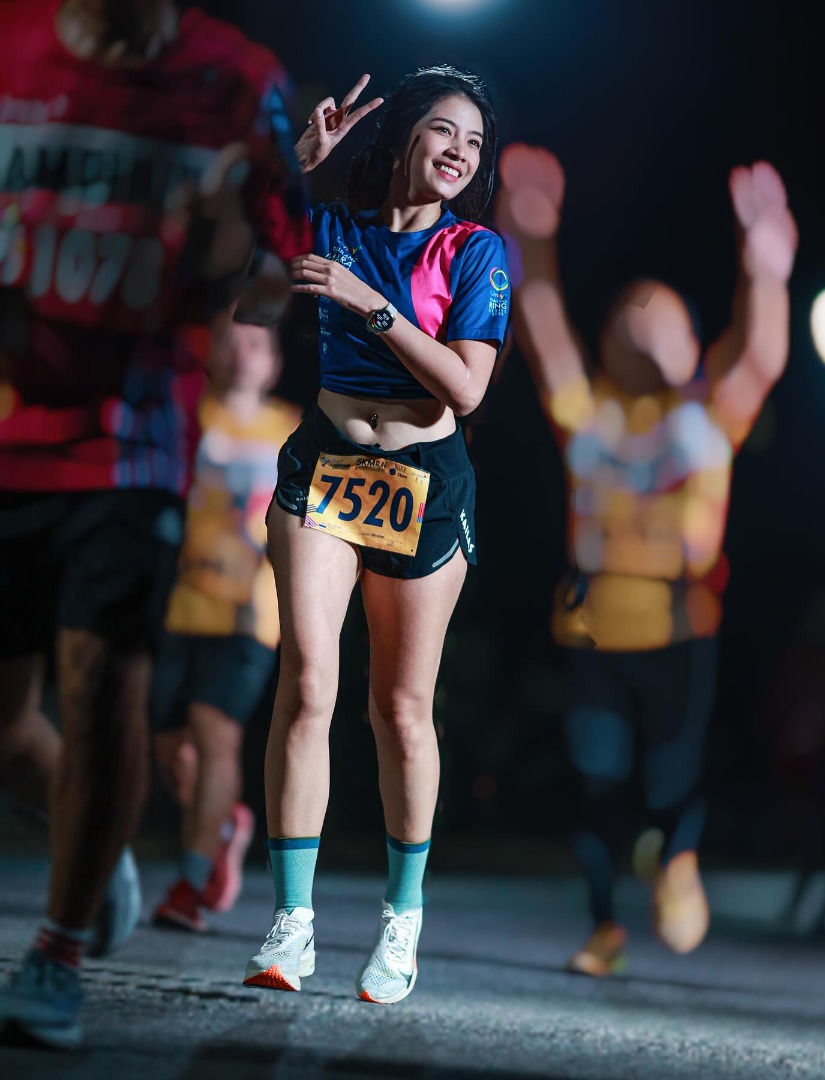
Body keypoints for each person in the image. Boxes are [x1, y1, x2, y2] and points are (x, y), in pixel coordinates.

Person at [0, 0, 310, 1049]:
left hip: (131, 441)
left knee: (104, 684)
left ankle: (58, 952)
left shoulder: (239, 82)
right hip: (7, 428)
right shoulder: (11, 42)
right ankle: (100, 850)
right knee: (8, 723)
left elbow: (278, 282)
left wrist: (228, 261)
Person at [241, 65, 509, 1005]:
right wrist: (294, 167)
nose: (460, 153)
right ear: (401, 137)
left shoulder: (474, 250)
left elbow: (466, 388)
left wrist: (369, 305)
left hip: (423, 485)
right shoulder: (329, 227)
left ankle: (402, 919)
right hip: (324, 469)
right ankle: (293, 921)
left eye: (474, 143)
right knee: (307, 684)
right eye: (444, 131)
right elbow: (249, 308)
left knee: (398, 709)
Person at [494, 144, 797, 975]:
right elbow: (542, 324)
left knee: (671, 782)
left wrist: (766, 270)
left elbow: (762, 354)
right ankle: (604, 928)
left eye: (663, 318)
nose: (645, 325)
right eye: (632, 316)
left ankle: (675, 859)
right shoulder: (589, 413)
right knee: (596, 783)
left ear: (694, 341)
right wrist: (530, 239)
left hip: (679, 626)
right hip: (594, 627)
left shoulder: (709, 415)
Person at [151, 321, 302, 932]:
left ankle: (190, 885)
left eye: (257, 344)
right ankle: (224, 827)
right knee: (173, 753)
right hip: (179, 603)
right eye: (231, 342)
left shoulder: (293, 427)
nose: (243, 355)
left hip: (248, 612)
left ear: (274, 362)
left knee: (216, 735)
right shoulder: (189, 413)